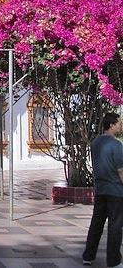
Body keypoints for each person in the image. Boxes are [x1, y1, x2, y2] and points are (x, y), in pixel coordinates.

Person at [83, 112, 123, 267]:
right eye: (118, 123)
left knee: (96, 224)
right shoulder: (117, 145)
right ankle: (113, 261)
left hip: (100, 190)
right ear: (112, 125)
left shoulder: (95, 142)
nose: (120, 126)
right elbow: (121, 172)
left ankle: (88, 256)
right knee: (115, 227)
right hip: (116, 192)